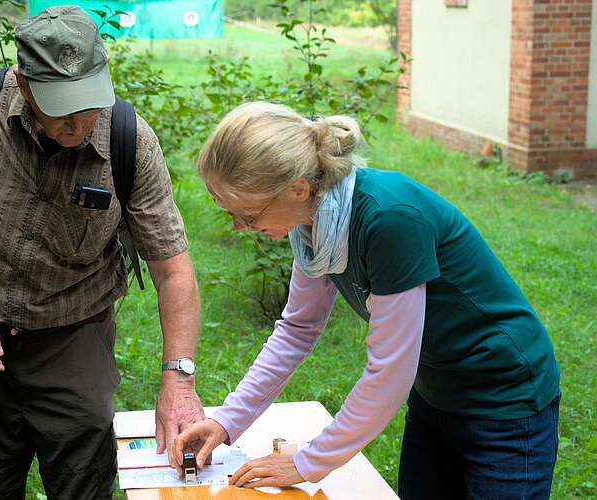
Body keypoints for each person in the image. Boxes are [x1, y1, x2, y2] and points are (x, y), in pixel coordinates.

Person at [175, 101, 560, 499]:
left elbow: (390, 368)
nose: (242, 228)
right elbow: (297, 330)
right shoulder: (313, 223)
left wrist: (307, 462)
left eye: (251, 215)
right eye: (233, 215)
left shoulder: (390, 219)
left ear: (298, 188)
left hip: (505, 400)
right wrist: (226, 422)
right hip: (436, 392)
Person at [0, 6, 204, 499]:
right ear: (23, 83)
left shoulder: (129, 140)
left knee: (81, 487)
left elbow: (173, 271)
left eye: (89, 102)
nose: (79, 123)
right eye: (62, 107)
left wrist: (178, 379)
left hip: (75, 343)